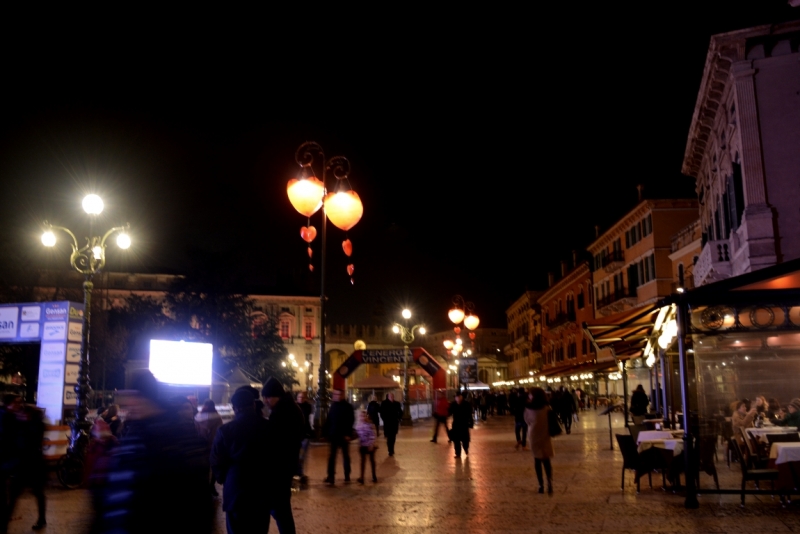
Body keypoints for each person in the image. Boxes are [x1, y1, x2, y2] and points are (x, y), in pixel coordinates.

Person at [99, 369, 212, 533]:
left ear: (142, 397)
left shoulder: (165, 439)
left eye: (132, 397)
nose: (129, 404)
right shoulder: (139, 432)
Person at [211, 388, 272, 534]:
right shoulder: (268, 427)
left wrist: (223, 478)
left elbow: (216, 460)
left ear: (235, 408)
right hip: (262, 490)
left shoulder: (225, 430)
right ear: (254, 405)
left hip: (235, 490)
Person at [261, 377, 305, 533]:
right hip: (285, 466)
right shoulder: (289, 408)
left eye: (268, 397)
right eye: (264, 397)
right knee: (282, 509)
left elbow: (275, 440)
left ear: (276, 396)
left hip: (280, 468)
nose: (265, 400)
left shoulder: (282, 412)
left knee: (280, 510)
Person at [3, 397, 46, 532]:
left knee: (37, 493)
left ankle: (42, 519)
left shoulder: (34, 426)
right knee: (16, 495)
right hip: (24, 466)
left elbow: (30, 442)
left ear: (29, 415)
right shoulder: (23, 425)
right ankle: (4, 525)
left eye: (23, 413)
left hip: (32, 466)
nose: (20, 415)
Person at [525, 387, 554, 494]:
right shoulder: (547, 408)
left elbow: (527, 420)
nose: (529, 396)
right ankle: (549, 483)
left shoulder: (528, 408)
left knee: (537, 460)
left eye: (530, 394)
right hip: (545, 435)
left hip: (534, 436)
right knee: (546, 460)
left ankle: (540, 485)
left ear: (534, 396)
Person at [324, 388, 355, 484]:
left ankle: (347, 475)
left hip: (343, 435)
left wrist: (348, 434)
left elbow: (350, 421)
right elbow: (329, 420)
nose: (336, 396)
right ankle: (331, 476)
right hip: (333, 435)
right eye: (335, 394)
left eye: (338, 394)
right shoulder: (333, 406)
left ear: (342, 395)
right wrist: (325, 433)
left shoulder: (348, 407)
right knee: (332, 456)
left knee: (345, 456)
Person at [195, 399, 224, 496]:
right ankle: (212, 486)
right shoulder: (218, 418)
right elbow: (220, 433)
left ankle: (203, 487)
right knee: (214, 466)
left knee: (203, 467)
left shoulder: (197, 417)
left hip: (201, 446)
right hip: (214, 446)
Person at [295, 391, 314, 484]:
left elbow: (308, 420)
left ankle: (300, 473)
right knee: (297, 455)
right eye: (299, 397)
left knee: (302, 456)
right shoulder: (294, 407)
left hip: (305, 434)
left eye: (302, 397)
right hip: (298, 435)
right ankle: (299, 472)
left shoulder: (307, 407)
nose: (301, 399)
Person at [355, 411, 378, 484]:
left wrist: (371, 444)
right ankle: (362, 477)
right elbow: (357, 435)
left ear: (366, 417)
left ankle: (374, 476)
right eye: (361, 416)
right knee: (362, 462)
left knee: (372, 461)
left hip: (369, 446)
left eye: (364, 416)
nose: (363, 417)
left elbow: (372, 435)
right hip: (362, 446)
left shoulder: (369, 425)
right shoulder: (358, 426)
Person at [449, 391, 473, 459]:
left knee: (465, 439)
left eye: (459, 397)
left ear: (461, 397)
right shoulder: (453, 404)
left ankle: (466, 448)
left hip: (464, 424)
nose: (457, 399)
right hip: (456, 424)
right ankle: (458, 453)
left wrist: (470, 423)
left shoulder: (466, 404)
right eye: (456, 397)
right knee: (456, 440)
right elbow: (449, 412)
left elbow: (469, 414)